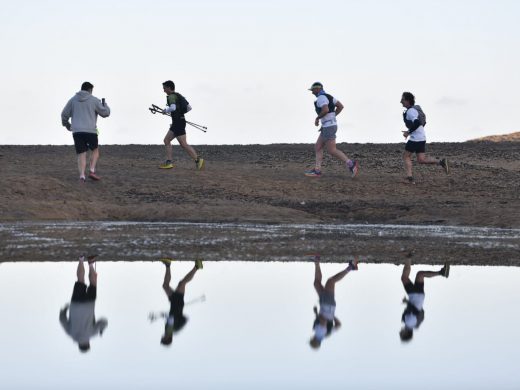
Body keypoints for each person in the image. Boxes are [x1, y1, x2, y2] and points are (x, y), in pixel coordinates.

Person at [304, 82, 358, 178]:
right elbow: (340, 106)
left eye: (313, 90)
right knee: (318, 147)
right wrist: (331, 118)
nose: (312, 92)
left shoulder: (321, 98)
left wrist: (317, 118)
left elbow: (325, 110)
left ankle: (351, 164)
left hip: (329, 127)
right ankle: (317, 170)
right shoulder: (329, 96)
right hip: (328, 126)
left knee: (332, 150)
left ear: (317, 89)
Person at [61, 82, 110, 182]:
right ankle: (92, 170)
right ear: (90, 90)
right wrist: (105, 105)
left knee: (81, 153)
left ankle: (82, 176)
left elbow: (64, 114)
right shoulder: (94, 100)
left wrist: (67, 125)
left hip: (77, 131)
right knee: (95, 150)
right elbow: (105, 113)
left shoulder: (72, 100)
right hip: (90, 131)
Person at [59, 255, 108, 352]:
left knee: (93, 284)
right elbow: (62, 319)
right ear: (79, 345)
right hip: (75, 304)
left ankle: (90, 264)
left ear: (88, 344)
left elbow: (103, 321)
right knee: (80, 281)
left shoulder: (92, 334)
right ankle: (81, 259)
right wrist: (65, 309)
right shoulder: (70, 334)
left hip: (89, 305)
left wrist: (101, 329)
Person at [309, 255, 358, 349]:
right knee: (331, 281)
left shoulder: (326, 335)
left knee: (316, 284)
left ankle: (317, 261)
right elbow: (323, 322)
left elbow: (338, 325)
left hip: (328, 306)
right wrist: (317, 314)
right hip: (326, 305)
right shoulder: (319, 333)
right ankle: (351, 267)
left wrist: (332, 316)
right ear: (313, 340)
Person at [399, 251, 449, 342]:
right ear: (406, 333)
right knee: (404, 278)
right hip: (415, 297)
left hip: (418, 298)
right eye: (401, 334)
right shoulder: (409, 323)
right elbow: (414, 311)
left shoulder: (413, 324)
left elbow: (419, 312)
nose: (399, 333)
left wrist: (409, 304)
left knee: (420, 275)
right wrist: (407, 302)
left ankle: (442, 272)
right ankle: (408, 258)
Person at [401, 92, 449, 184]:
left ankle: (410, 178)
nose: (401, 102)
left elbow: (417, 123)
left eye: (402, 100)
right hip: (421, 137)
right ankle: (441, 162)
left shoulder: (411, 111)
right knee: (421, 159)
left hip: (415, 139)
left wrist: (408, 132)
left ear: (407, 101)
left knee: (406, 156)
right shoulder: (413, 110)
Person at [159, 81, 205, 170]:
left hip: (178, 123)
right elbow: (189, 108)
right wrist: (179, 114)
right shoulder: (178, 95)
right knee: (167, 140)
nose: (163, 90)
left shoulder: (171, 96)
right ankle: (169, 162)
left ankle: (198, 160)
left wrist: (166, 110)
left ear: (169, 87)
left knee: (183, 144)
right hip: (179, 121)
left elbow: (173, 108)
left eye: (164, 88)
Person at [160, 258, 203, 345]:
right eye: (163, 338)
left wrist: (168, 316)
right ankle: (197, 267)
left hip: (174, 303)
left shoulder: (171, 330)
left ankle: (168, 265)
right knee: (182, 283)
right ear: (167, 338)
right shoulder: (170, 330)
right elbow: (174, 319)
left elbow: (175, 319)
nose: (162, 337)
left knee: (165, 286)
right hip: (177, 303)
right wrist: (173, 316)